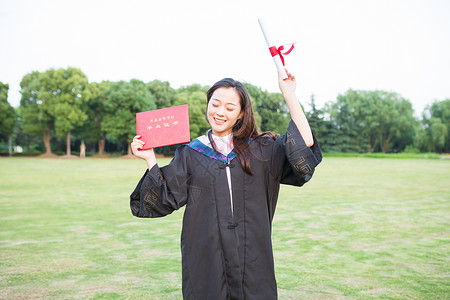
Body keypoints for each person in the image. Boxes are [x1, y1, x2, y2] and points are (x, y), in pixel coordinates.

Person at [130, 69, 322, 300]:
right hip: (207, 259)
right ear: (208, 106)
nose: (220, 112)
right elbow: (164, 198)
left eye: (230, 108)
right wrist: (150, 159)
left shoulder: (262, 150)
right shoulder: (192, 153)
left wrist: (289, 94)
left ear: (241, 114)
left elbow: (305, 142)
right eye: (215, 104)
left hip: (252, 257)